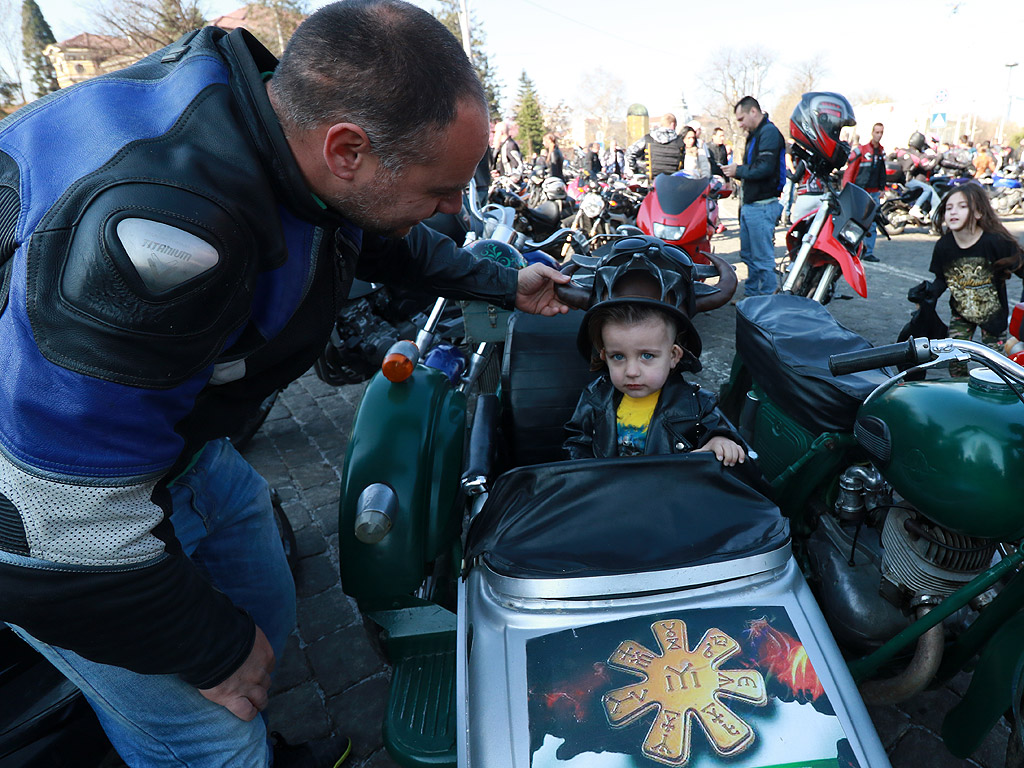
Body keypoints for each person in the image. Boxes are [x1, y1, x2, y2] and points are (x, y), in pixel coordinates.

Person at [0, 2, 571, 766]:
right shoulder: (152, 246)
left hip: (179, 451)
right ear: (347, 150)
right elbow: (53, 527)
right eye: (440, 192)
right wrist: (212, 650)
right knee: (212, 734)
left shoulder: (279, 126)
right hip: (54, 507)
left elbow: (375, 237)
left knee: (263, 599)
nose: (450, 213)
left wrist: (503, 284)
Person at [563, 275, 745, 464]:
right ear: (604, 356)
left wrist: (720, 441)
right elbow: (577, 441)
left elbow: (719, 430)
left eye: (647, 356)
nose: (631, 371)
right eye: (618, 356)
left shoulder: (698, 405)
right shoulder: (596, 397)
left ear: (674, 356)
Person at [923, 183, 1024, 376]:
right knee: (952, 358)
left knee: (996, 366)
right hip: (961, 312)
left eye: (962, 206)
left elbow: (1021, 267)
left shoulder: (995, 241)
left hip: (993, 315)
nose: (954, 211)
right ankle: (960, 393)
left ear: (978, 212)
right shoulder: (944, 246)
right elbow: (942, 279)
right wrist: (926, 296)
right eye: (949, 207)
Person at [722, 96, 786, 297]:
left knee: (762, 258)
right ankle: (752, 295)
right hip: (752, 205)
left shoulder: (769, 133)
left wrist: (738, 171)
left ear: (753, 112)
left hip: (762, 205)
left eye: (741, 119)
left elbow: (764, 168)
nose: (739, 124)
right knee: (749, 255)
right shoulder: (756, 134)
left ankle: (766, 300)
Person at [842, 122, 885, 262]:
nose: (879, 135)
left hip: (874, 193)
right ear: (872, 133)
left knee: (872, 224)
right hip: (860, 192)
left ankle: (868, 252)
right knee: (855, 222)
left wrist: (882, 189)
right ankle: (850, 248)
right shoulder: (861, 151)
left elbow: (882, 172)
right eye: (877, 132)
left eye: (881, 132)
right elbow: (850, 171)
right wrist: (846, 188)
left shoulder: (881, 152)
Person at [625, 112, 686, 180]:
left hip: (652, 183)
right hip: (673, 184)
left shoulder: (648, 139)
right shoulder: (680, 142)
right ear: (673, 124)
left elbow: (629, 152)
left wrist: (636, 170)